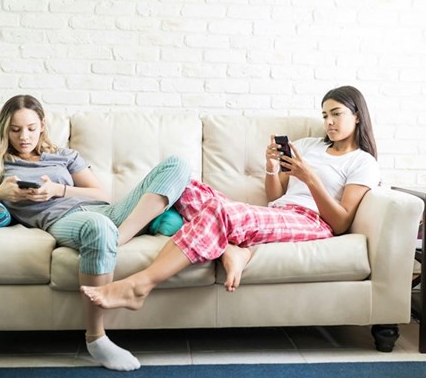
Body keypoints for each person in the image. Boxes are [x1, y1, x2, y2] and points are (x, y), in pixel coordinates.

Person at [80, 85, 380, 313]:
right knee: (186, 187)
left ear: (357, 116)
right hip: (280, 212)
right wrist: (271, 167)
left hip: (312, 221)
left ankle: (140, 285)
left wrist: (310, 178)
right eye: (325, 115)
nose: (329, 122)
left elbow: (341, 222)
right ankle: (232, 247)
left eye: (336, 114)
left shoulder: (362, 162)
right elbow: (275, 197)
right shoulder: (309, 145)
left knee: (219, 212)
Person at [0, 94, 191, 371]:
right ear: (4, 129)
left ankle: (120, 236)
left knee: (177, 164)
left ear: (42, 125)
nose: (24, 137)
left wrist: (58, 189)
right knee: (99, 227)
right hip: (64, 219)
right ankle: (96, 338)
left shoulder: (63, 155)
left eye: (31, 128)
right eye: (15, 130)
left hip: (107, 212)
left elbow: (101, 195)